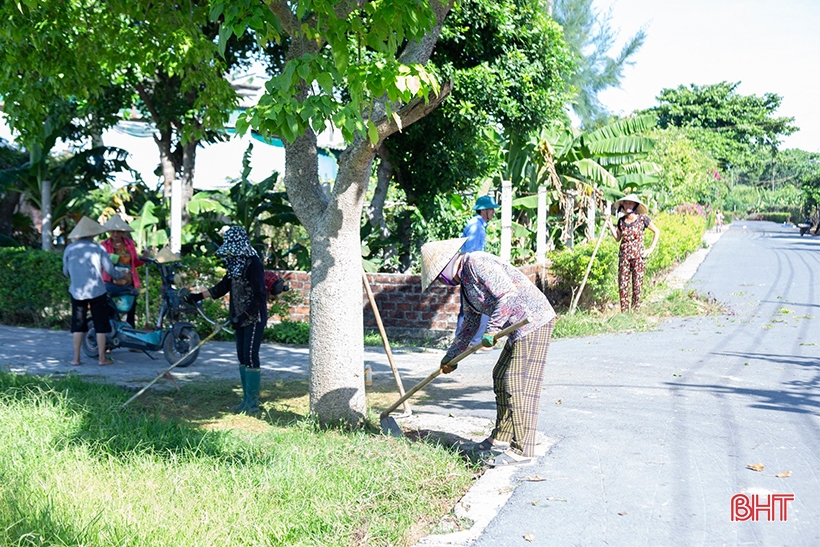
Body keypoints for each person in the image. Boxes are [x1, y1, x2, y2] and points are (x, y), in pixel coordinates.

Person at [421, 237, 557, 467]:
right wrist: (452, 356)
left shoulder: (476, 263)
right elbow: (471, 324)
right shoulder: (465, 283)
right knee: (500, 374)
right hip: (518, 328)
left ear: (446, 265)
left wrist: (493, 329)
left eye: (439, 276)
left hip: (533, 321)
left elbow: (508, 295)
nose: (441, 282)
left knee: (517, 381)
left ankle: (523, 449)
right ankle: (501, 438)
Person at [185, 226, 267, 413]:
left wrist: (245, 315)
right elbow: (223, 286)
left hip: (253, 318)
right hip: (237, 317)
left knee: (250, 356)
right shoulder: (235, 264)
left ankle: (253, 404)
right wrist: (198, 296)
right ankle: (245, 401)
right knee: (241, 356)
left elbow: (260, 295)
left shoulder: (253, 263)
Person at [62, 216, 125, 366]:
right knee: (100, 325)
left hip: (77, 292)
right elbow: (110, 270)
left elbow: (66, 271)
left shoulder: (69, 248)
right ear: (92, 234)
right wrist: (121, 275)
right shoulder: (98, 248)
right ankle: (102, 359)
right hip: (97, 291)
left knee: (78, 325)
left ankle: (76, 359)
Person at [457, 194, 501, 347]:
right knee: (483, 305)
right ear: (484, 211)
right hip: (473, 273)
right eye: (491, 210)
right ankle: (475, 342)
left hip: (468, 272)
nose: (493, 213)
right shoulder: (476, 227)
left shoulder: (476, 225)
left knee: (468, 308)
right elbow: (473, 255)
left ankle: (462, 342)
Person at [608, 194, 661, 312]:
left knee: (637, 286)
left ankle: (635, 311)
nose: (627, 205)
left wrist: (650, 248)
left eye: (630, 203)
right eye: (626, 203)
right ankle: (624, 313)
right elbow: (617, 238)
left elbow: (656, 231)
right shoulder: (621, 221)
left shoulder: (642, 219)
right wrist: (610, 225)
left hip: (638, 258)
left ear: (635, 205)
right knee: (623, 285)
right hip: (624, 258)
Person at [101, 214, 146, 328]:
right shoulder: (104, 245)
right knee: (111, 309)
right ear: (109, 232)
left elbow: (134, 261)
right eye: (113, 231)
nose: (116, 234)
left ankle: (131, 336)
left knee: (131, 310)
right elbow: (101, 264)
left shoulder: (129, 244)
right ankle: (111, 337)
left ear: (123, 232)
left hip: (128, 281)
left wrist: (144, 259)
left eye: (118, 232)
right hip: (111, 282)